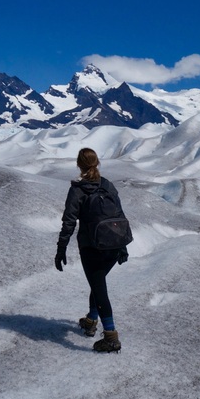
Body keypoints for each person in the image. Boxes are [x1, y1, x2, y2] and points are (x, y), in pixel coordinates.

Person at [55, 148, 128, 353]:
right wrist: (121, 246)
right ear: (97, 163)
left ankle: (111, 338)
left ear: (79, 165)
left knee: (98, 288)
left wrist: (61, 249)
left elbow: (68, 222)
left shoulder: (78, 189)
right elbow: (119, 214)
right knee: (97, 283)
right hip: (113, 246)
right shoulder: (108, 185)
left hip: (92, 247)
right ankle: (90, 320)